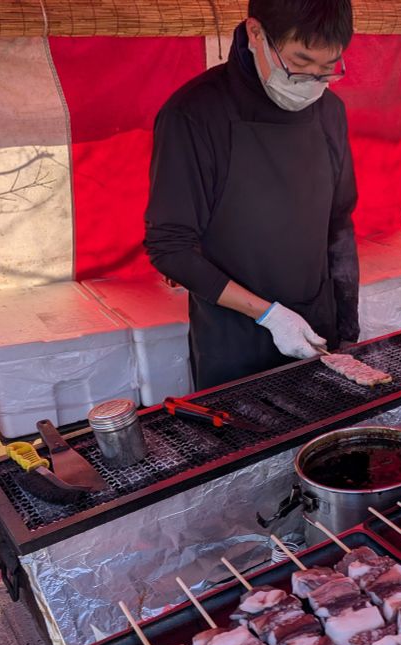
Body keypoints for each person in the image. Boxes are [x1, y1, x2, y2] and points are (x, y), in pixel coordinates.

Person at [144, 0, 358, 390]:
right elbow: (169, 247)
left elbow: (338, 223)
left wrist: (348, 328)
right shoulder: (194, 114)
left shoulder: (330, 112)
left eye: (328, 69)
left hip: (316, 330)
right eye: (300, 62)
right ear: (256, 33)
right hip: (233, 342)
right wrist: (272, 316)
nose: (312, 81)